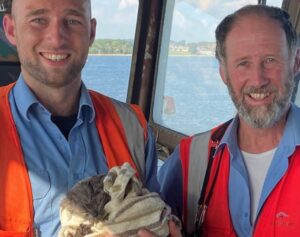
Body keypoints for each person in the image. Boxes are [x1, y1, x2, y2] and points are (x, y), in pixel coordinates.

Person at [0, 0, 159, 236]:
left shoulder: (134, 127)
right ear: (11, 30)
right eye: (38, 20)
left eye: (72, 20)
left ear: (91, 31)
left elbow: (157, 218)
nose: (56, 38)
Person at [158, 4, 300, 237]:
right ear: (223, 72)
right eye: (243, 63)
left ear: (296, 62)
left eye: (271, 60)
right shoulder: (191, 160)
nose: (258, 79)